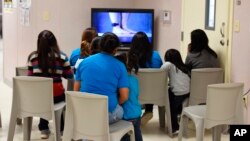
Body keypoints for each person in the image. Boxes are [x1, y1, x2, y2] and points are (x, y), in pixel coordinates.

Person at [27, 30, 73, 139]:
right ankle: (61, 129)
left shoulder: (32, 57)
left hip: (38, 99)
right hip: (57, 97)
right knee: (58, 96)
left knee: (44, 95)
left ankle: (44, 129)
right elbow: (70, 76)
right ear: (54, 41)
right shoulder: (62, 57)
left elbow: (30, 78)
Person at [74, 32, 129, 124]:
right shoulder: (120, 66)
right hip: (107, 115)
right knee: (122, 110)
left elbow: (76, 91)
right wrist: (115, 103)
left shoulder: (83, 63)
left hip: (85, 112)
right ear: (115, 49)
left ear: (100, 45)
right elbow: (124, 96)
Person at [128, 31, 163, 126]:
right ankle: (149, 111)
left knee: (130, 84)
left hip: (137, 93)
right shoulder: (156, 55)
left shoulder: (130, 58)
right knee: (150, 83)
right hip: (156, 92)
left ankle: (132, 116)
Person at [161, 49, 190, 134]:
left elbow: (160, 71)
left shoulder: (169, 64)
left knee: (170, 106)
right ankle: (178, 113)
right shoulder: (184, 67)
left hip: (178, 93)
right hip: (187, 92)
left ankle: (174, 127)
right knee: (171, 91)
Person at [115, 53, 143, 141]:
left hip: (126, 116)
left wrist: (116, 103)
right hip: (136, 113)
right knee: (137, 134)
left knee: (126, 137)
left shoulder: (121, 81)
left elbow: (124, 98)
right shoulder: (134, 79)